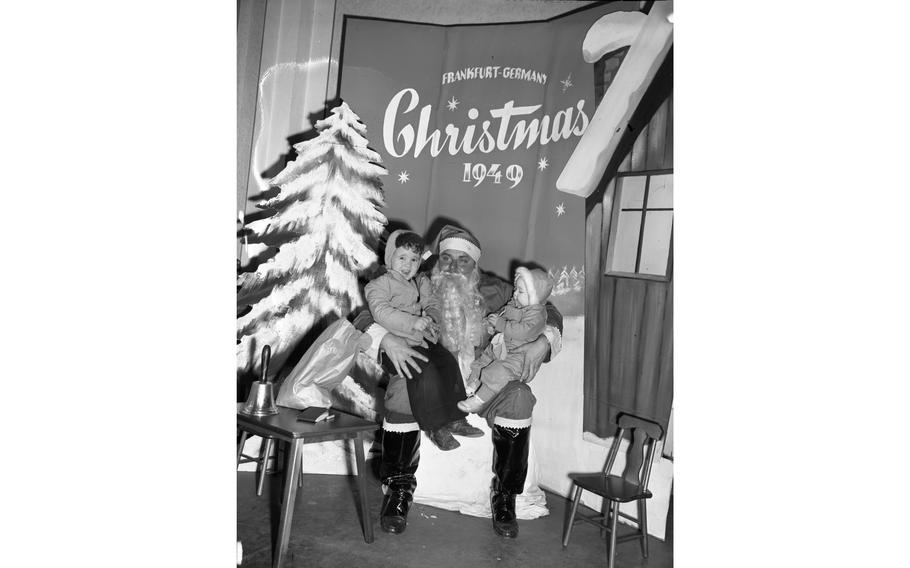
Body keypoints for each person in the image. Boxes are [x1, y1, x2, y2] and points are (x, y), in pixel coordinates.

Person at [353, 225, 563, 538]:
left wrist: (543, 341)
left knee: (519, 395)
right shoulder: (415, 277)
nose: (452, 266)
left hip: (481, 379)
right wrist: (385, 340)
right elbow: (363, 314)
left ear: (475, 265)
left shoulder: (495, 288)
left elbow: (548, 308)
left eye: (462, 260)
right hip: (428, 375)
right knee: (400, 391)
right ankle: (399, 490)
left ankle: (505, 497)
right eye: (446, 258)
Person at [365, 230, 469, 450]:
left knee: (448, 362)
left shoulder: (421, 281)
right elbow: (381, 312)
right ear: (389, 257)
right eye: (401, 257)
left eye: (414, 259)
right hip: (397, 346)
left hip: (423, 339)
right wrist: (411, 322)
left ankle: (456, 416)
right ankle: (435, 426)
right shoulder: (379, 284)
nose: (407, 264)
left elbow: (432, 303)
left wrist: (431, 317)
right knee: (425, 370)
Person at [458, 266, 554, 413]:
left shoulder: (537, 314)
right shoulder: (516, 302)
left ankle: (479, 400)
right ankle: (472, 385)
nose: (515, 293)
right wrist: (491, 324)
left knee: (498, 372)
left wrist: (500, 324)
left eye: (520, 291)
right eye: (516, 289)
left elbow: (524, 330)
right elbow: (503, 313)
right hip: (500, 346)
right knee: (482, 362)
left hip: (516, 356)